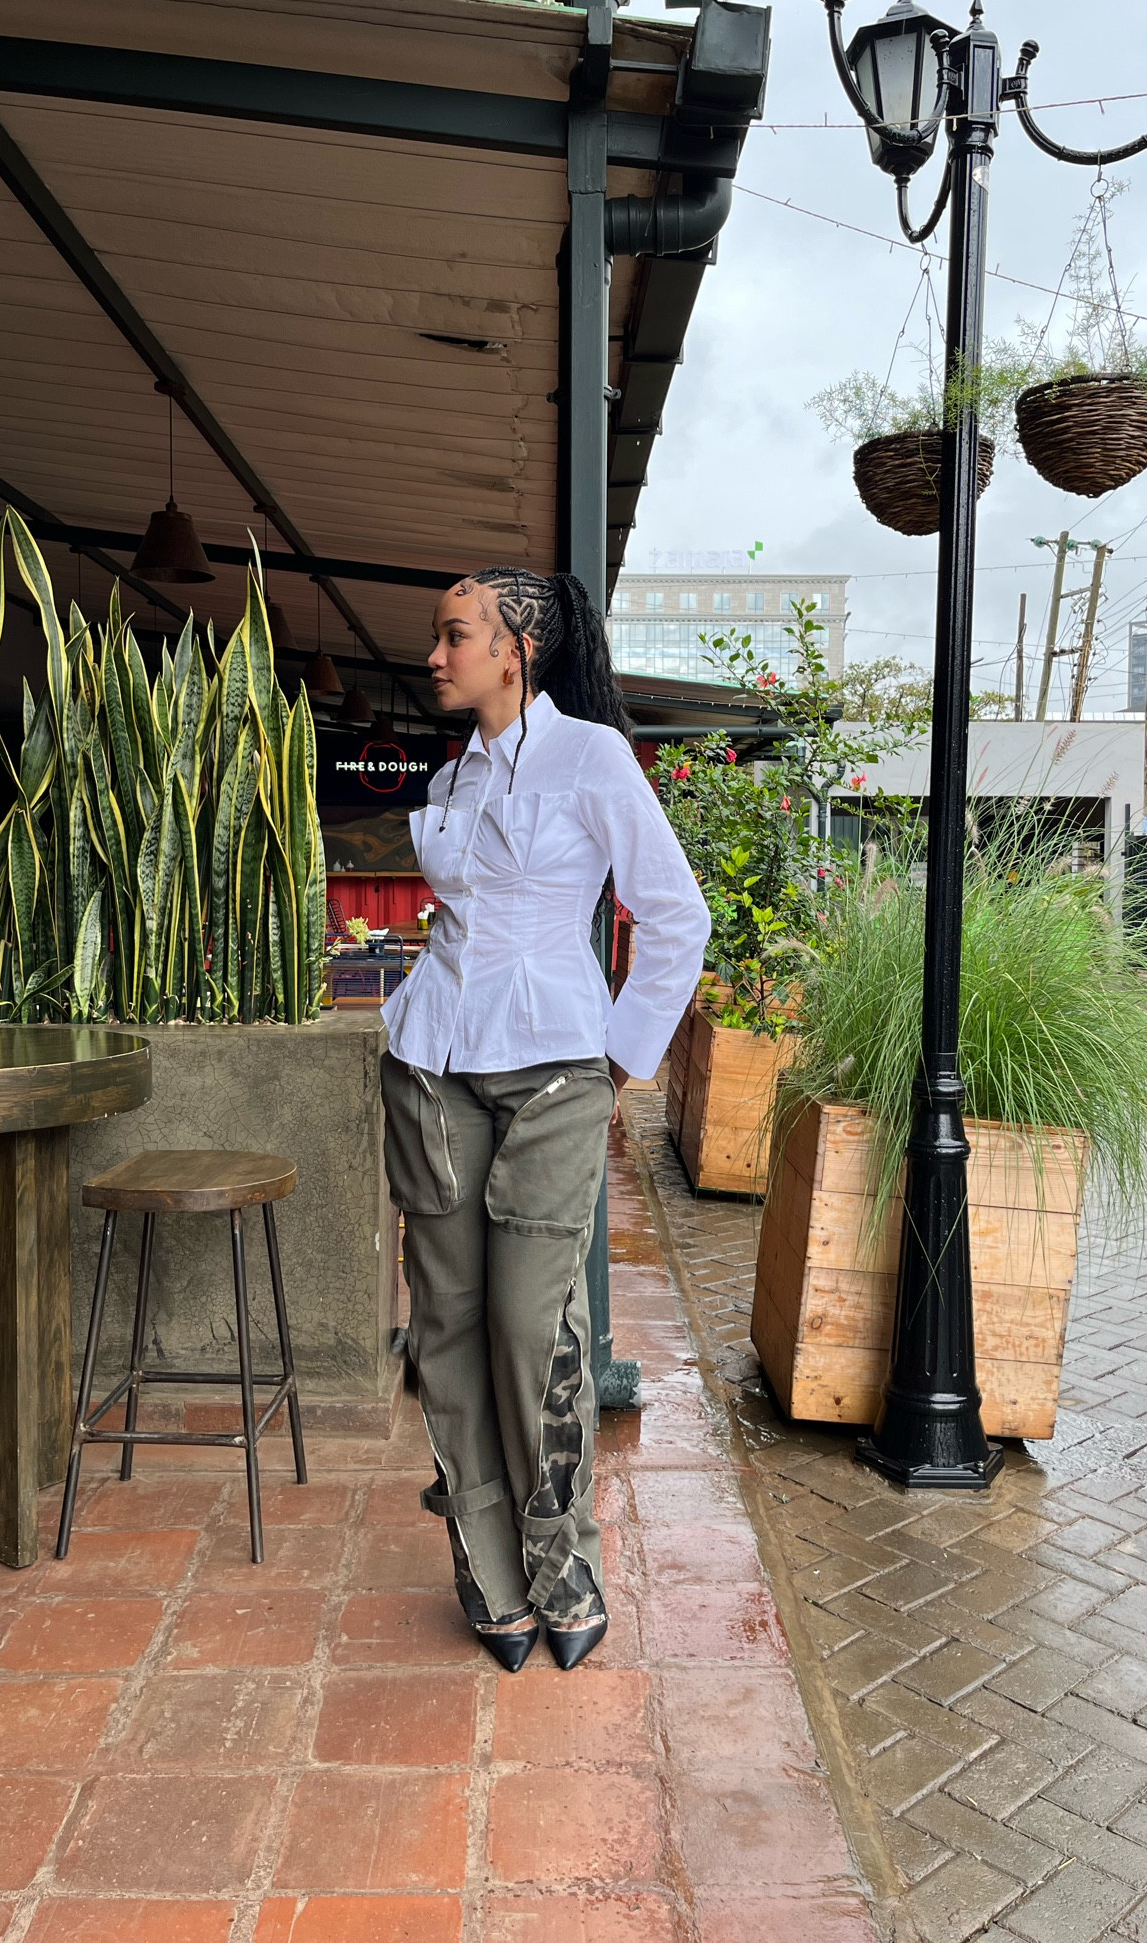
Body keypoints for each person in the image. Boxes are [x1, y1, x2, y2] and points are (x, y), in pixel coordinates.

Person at [379, 566, 709, 1672]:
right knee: (449, 1332)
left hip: (556, 1073)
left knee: (535, 1328)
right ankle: (484, 1562)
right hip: (433, 1067)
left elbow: (675, 913)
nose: (436, 653)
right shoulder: (457, 772)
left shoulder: (590, 758)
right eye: (438, 635)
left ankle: (561, 1554)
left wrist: (620, 1056)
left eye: (455, 634)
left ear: (516, 645)